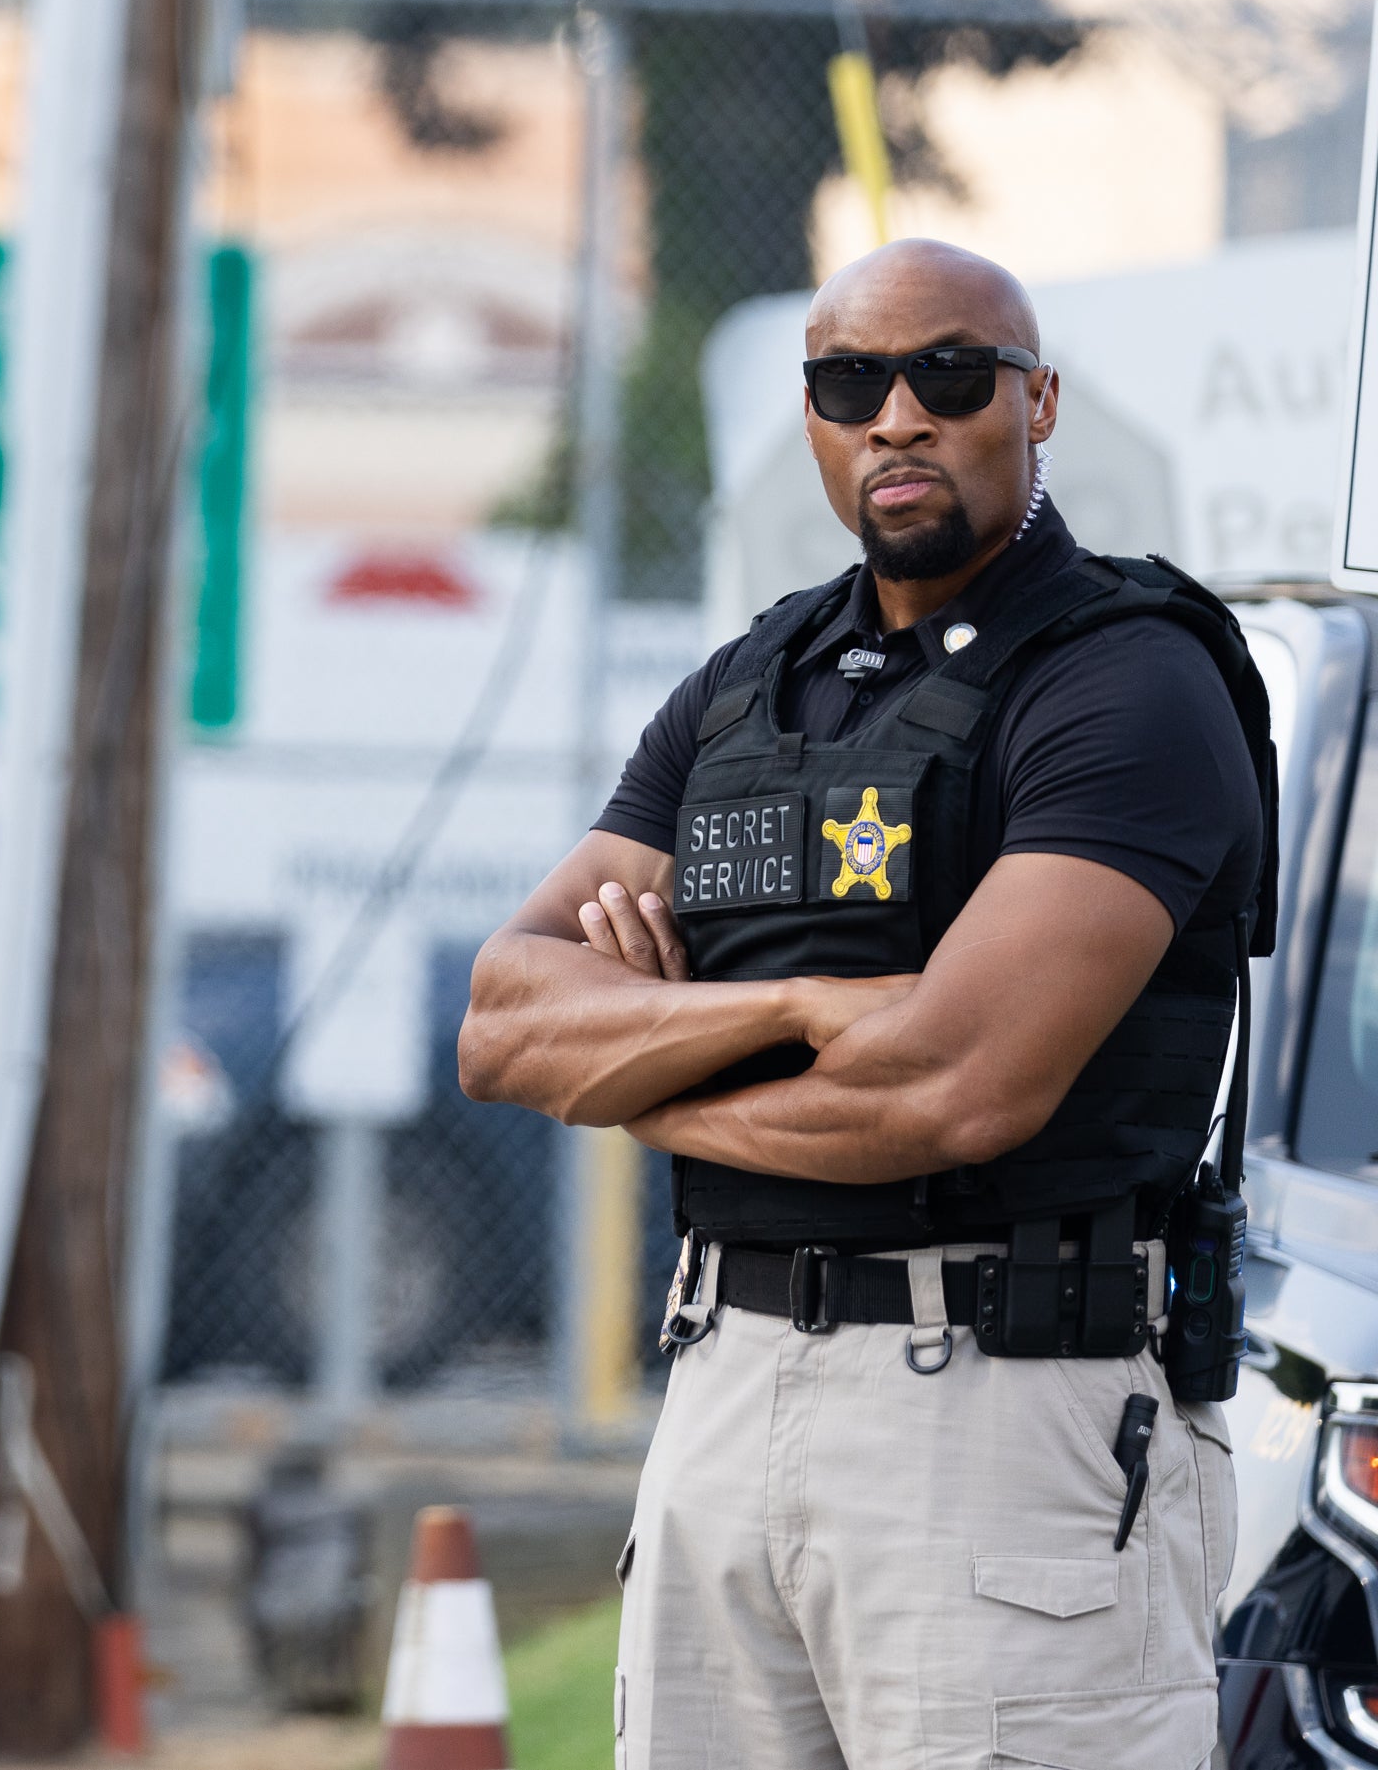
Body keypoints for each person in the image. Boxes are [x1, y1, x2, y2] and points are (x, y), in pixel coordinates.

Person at [460, 238, 1272, 1770]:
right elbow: (504, 1020)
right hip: (725, 1380)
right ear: (817, 419)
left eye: (946, 373)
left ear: (1036, 402)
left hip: (1004, 1409)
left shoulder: (1125, 683)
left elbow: (958, 1086)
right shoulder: (750, 685)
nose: (897, 413)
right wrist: (818, 1010)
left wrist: (634, 1071)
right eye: (850, 382)